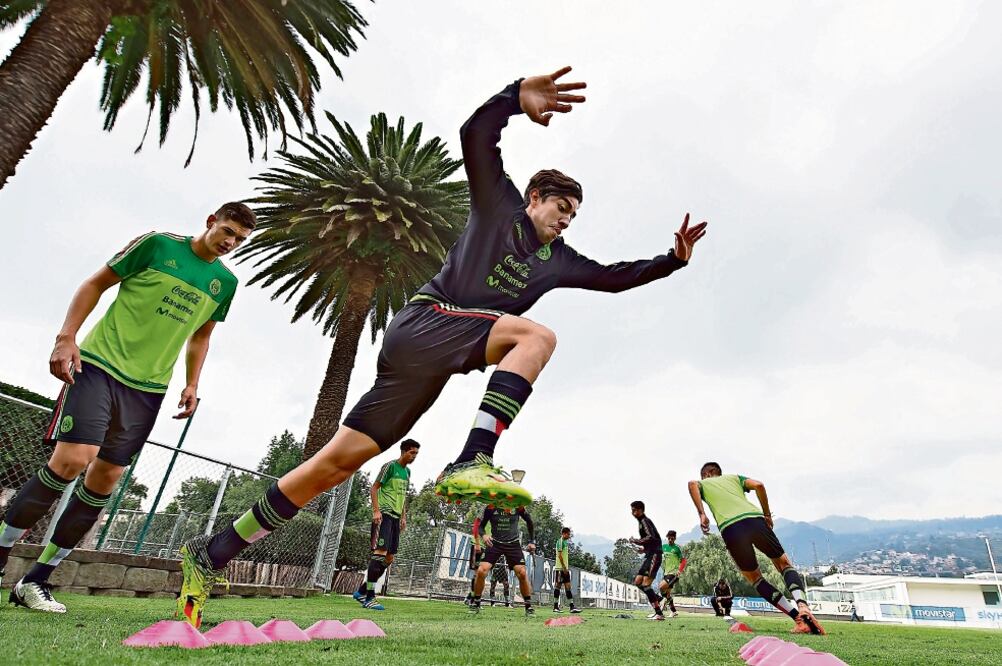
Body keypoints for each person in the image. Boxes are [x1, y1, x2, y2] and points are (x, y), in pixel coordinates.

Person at [176, 66, 707, 627]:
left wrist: (671, 261)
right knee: (537, 336)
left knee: (333, 464)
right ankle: (474, 457)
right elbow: (476, 136)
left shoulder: (558, 262)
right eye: (561, 209)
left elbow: (615, 277)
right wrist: (513, 97)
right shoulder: (500, 206)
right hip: (423, 322)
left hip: (426, 368)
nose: (566, 221)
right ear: (535, 198)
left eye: (573, 215)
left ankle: (210, 553)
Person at [0, 203, 254, 613]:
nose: (230, 242)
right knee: (72, 460)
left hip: (148, 389)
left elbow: (201, 336)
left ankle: (35, 581)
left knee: (106, 478)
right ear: (211, 222)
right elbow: (95, 283)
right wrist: (66, 338)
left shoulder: (224, 283)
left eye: (240, 239)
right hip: (98, 366)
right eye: (227, 231)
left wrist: (192, 383)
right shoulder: (157, 245)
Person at [688, 462, 826, 635]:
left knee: (756, 579)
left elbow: (692, 484)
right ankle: (803, 605)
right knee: (783, 564)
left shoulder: (704, 483)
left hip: (731, 528)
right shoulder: (734, 478)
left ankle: (798, 620)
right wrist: (767, 514)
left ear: (706, 474)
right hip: (755, 520)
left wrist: (702, 513)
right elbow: (759, 485)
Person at [352, 439, 419, 610]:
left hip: (396, 517)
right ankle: (369, 597)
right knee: (379, 553)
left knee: (389, 558)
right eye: (412, 453)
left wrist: (403, 517)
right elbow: (374, 488)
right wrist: (376, 511)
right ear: (403, 452)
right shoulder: (390, 467)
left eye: (416, 454)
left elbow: (402, 495)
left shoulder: (407, 472)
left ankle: (361, 591)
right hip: (384, 515)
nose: (414, 456)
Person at [470, 505, 536, 617]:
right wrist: (484, 535)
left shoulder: (517, 505)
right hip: (494, 543)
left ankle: (528, 606)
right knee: (481, 571)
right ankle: (476, 603)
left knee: (522, 572)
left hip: (513, 544)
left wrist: (532, 541)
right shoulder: (491, 507)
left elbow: (529, 521)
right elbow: (480, 526)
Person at [629, 501, 665, 621]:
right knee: (638, 581)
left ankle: (659, 613)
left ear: (640, 510)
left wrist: (636, 541)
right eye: (632, 510)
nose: (632, 512)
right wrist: (644, 549)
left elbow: (651, 537)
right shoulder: (641, 522)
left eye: (634, 510)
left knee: (646, 584)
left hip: (655, 555)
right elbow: (652, 541)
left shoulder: (645, 521)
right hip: (649, 555)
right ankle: (657, 599)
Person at [552, 526, 580, 613]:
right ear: (564, 534)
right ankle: (555, 607)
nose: (569, 536)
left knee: (568, 586)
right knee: (558, 586)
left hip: (565, 569)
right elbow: (559, 556)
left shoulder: (565, 542)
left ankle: (572, 607)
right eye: (568, 534)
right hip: (560, 568)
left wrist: (566, 568)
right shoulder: (560, 542)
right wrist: (564, 567)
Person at [658, 530, 684, 617]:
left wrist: (679, 570)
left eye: (672, 538)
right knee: (668, 594)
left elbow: (683, 561)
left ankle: (662, 601)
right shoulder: (664, 547)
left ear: (675, 538)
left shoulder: (677, 549)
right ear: (667, 538)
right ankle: (673, 611)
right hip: (666, 573)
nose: (670, 540)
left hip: (674, 574)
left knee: (661, 587)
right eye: (669, 538)